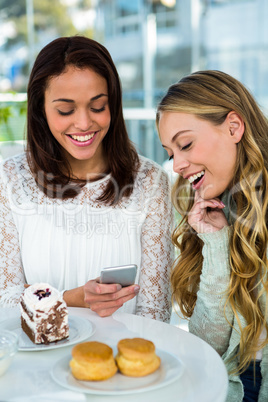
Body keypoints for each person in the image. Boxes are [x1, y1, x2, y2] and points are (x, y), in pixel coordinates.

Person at [0, 35, 173, 323]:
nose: (83, 123)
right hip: (35, 363)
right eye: (65, 110)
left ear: (113, 105)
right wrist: (70, 299)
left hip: (121, 360)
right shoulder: (9, 180)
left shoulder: (151, 181)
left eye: (97, 106)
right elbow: (4, 298)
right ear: (40, 110)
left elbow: (155, 312)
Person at [156, 70, 268, 400]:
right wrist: (216, 245)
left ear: (234, 127)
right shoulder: (211, 213)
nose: (176, 165)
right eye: (170, 152)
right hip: (232, 382)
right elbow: (208, 345)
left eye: (185, 144)